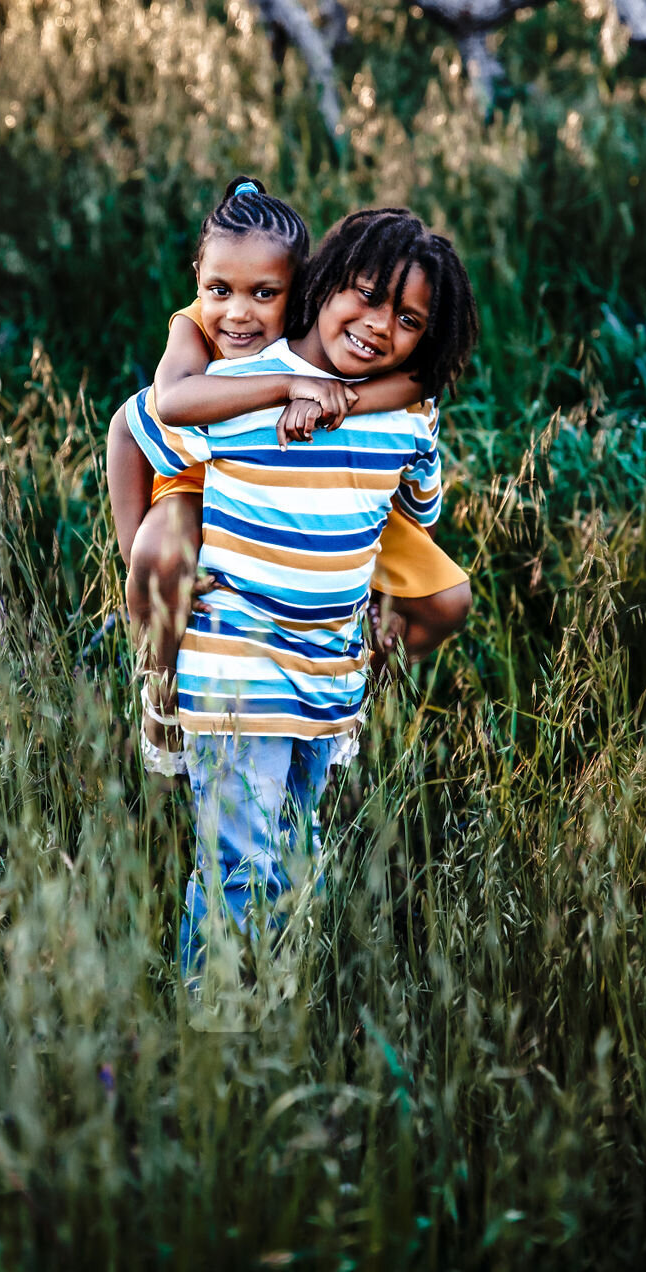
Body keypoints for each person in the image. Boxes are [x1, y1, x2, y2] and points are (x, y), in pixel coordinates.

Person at [122, 205, 479, 987]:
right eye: (365, 295)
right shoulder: (238, 389)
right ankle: (216, 1028)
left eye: (408, 317)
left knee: (292, 856)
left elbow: (414, 515)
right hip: (238, 669)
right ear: (322, 287)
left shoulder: (408, 416)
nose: (380, 325)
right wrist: (136, 554)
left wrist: (371, 413)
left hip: (323, 678)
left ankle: (268, 1021)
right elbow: (141, 423)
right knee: (240, 866)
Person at [106, 181, 470, 776]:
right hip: (203, 464)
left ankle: (339, 693)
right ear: (200, 278)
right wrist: (137, 571)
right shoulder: (201, 325)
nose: (239, 311)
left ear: (302, 284)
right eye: (219, 289)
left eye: (264, 292)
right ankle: (164, 688)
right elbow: (143, 418)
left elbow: (420, 381)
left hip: (340, 476)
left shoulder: (324, 327)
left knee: (447, 599)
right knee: (157, 554)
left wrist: (339, 401)